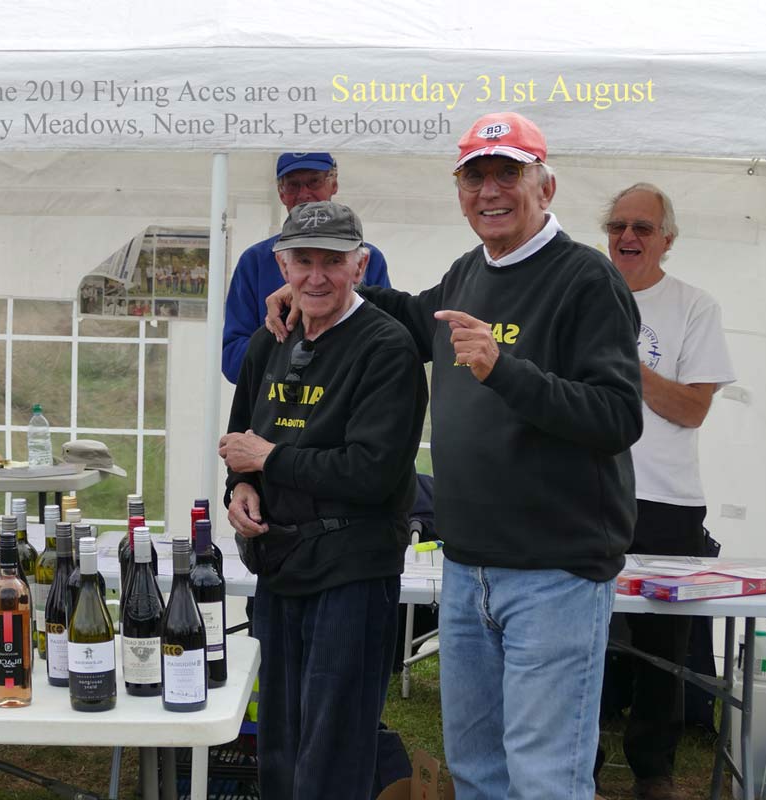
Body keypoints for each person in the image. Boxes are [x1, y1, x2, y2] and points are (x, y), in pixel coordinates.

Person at [267, 112, 643, 798]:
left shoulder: (586, 278)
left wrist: (505, 369)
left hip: (554, 573)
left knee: (545, 777)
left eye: (507, 174)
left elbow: (618, 417)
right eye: (475, 177)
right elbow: (412, 320)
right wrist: (322, 286)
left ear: (546, 186)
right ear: (461, 192)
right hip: (468, 569)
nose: (489, 191)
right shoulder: (470, 272)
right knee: (476, 772)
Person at [220, 200, 427, 799]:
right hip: (280, 563)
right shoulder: (271, 342)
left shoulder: (386, 347)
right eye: (303, 260)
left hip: (351, 569)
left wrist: (268, 459)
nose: (316, 276)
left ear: (360, 265)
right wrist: (241, 488)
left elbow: (372, 472)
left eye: (332, 261)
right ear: (281, 265)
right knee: (279, 742)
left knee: (333, 745)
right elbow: (241, 441)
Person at [596, 184, 735, 800]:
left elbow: (691, 408)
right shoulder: (581, 293)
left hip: (666, 500)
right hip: (585, 494)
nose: (627, 237)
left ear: (667, 240)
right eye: (618, 226)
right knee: (579, 636)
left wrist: (625, 363)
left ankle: (653, 772)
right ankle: (580, 764)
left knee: (663, 646)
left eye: (643, 228)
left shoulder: (693, 306)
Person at [220, 152, 391, 383]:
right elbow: (232, 361)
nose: (304, 194)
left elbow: (386, 340)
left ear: (334, 184)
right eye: (293, 185)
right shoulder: (254, 261)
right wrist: (284, 336)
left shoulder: (367, 257)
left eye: (314, 181)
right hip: (275, 403)